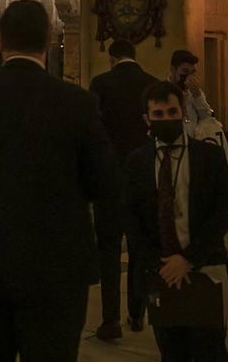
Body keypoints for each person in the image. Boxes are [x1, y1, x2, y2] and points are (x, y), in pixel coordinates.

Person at [0, 0, 117, 362]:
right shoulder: (76, 102)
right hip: (55, 265)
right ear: (48, 38)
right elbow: (105, 183)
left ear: (2, 41)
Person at [123, 81, 228, 361]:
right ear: (147, 119)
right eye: (158, 115)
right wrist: (158, 262)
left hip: (205, 265)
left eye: (172, 112)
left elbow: (221, 214)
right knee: (171, 351)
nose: (166, 119)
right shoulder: (137, 162)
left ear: (181, 111)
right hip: (161, 272)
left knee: (211, 350)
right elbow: (132, 218)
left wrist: (188, 258)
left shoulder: (209, 156)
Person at [88, 38, 159, 340]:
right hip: (142, 177)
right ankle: (137, 312)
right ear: (134, 55)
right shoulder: (151, 84)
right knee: (140, 248)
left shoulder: (101, 84)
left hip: (110, 178)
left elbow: (93, 130)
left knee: (108, 250)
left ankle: (110, 319)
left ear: (112, 58)